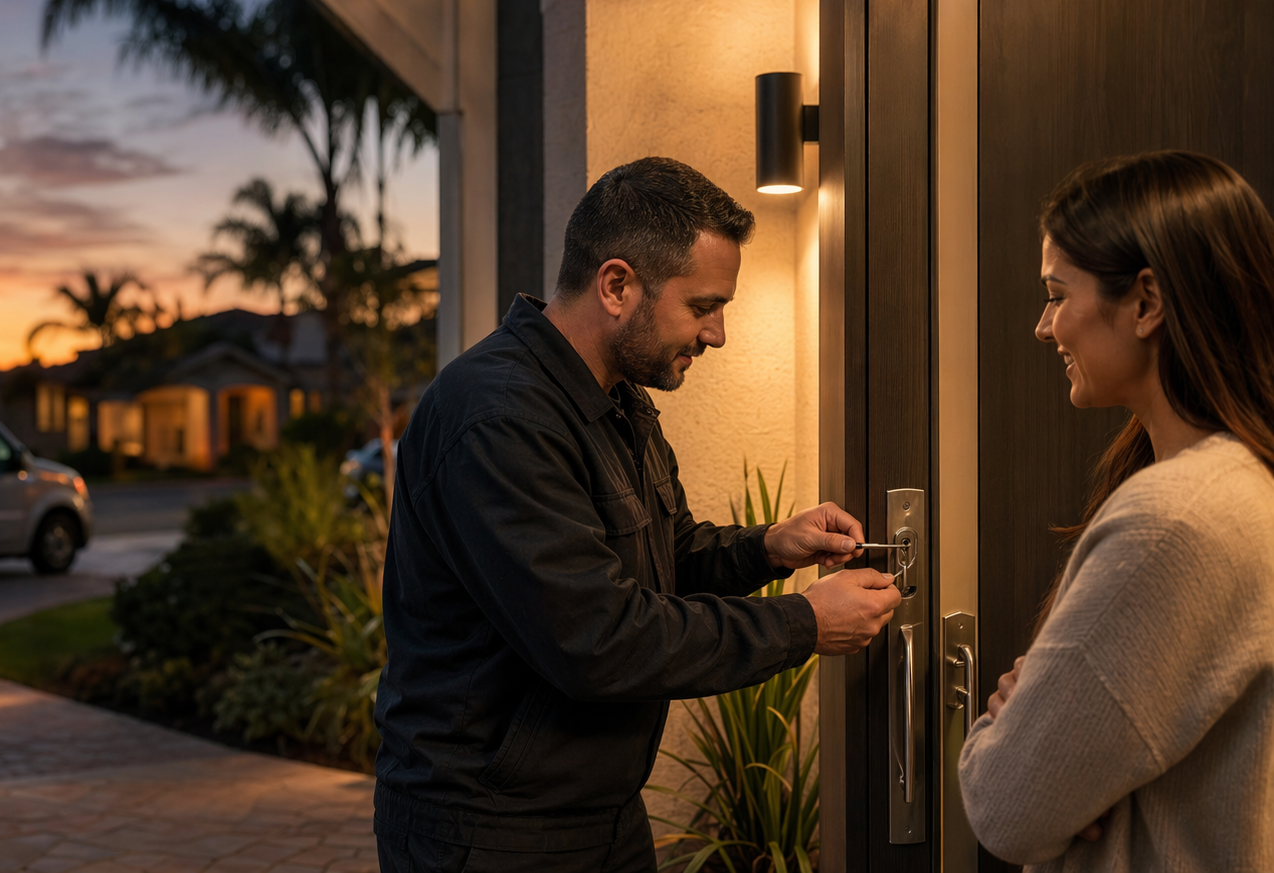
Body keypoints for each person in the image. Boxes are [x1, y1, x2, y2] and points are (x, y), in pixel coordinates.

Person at [373, 156, 901, 872]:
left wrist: (771, 547)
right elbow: (596, 638)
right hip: (490, 832)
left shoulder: (618, 398)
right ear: (617, 285)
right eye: (704, 306)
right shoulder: (495, 419)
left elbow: (667, 559)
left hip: (599, 815)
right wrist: (805, 622)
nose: (717, 335)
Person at [959, 151, 1274, 870]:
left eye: (1056, 293)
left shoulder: (1176, 521)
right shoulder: (1234, 483)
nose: (1045, 327)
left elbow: (1005, 804)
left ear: (1145, 301)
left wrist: (1011, 721)